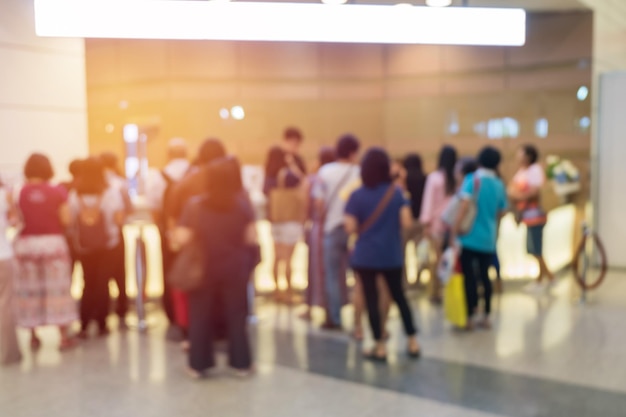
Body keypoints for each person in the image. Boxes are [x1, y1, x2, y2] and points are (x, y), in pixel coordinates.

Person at [174, 156, 258, 378]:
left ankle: (198, 365)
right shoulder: (242, 205)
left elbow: (182, 237)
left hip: (204, 269)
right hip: (235, 268)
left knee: (200, 315)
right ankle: (242, 364)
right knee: (237, 315)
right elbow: (251, 237)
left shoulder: (195, 205)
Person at [344, 147, 421, 361]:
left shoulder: (356, 195)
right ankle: (412, 340)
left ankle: (379, 346)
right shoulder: (395, 193)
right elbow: (406, 222)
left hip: (366, 255)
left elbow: (349, 227)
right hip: (391, 254)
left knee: (371, 298)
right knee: (399, 296)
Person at [13, 153, 77, 350]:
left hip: (27, 244)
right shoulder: (57, 192)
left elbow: (16, 219)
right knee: (57, 290)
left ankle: (33, 335)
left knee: (30, 290)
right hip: (53, 243)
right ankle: (63, 336)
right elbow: (66, 219)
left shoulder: (18, 192)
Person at [168, 138, 227, 346]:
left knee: (197, 296)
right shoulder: (229, 182)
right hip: (224, 250)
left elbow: (173, 217)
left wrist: (177, 241)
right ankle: (220, 332)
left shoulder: (187, 182)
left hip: (195, 249)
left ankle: (194, 336)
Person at [450, 147, 508, 330]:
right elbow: (502, 210)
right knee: (485, 276)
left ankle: (469, 317)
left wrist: (454, 230)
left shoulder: (473, 180)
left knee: (469, 278)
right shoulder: (499, 184)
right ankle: (487, 315)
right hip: (488, 238)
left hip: (469, 237)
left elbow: (464, 206)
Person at [69, 157, 125, 337]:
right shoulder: (111, 193)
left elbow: (70, 221)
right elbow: (118, 219)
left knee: (87, 282)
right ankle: (102, 323)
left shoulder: (75, 194)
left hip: (84, 246)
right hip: (109, 245)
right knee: (104, 283)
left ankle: (84, 322)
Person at [312, 134, 361, 329]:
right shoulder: (359, 172)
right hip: (354, 231)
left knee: (331, 275)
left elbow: (318, 203)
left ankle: (335, 318)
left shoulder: (325, 172)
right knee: (357, 277)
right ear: (351, 152)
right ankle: (358, 320)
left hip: (331, 229)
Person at [145, 138, 191, 337]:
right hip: (193, 234)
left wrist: (164, 229)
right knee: (194, 271)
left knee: (170, 272)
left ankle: (173, 315)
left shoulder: (158, 177)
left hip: (168, 234)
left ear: (168, 154)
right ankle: (193, 314)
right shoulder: (195, 174)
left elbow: (153, 207)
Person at [263, 128, 307, 304]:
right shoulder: (289, 162)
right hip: (290, 216)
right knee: (287, 257)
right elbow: (305, 182)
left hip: (275, 215)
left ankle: (277, 292)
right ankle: (286, 292)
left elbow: (266, 188)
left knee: (277, 256)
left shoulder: (274, 159)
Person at [508, 145, 553, 293]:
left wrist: (518, 196)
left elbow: (533, 192)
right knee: (532, 248)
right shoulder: (522, 171)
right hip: (527, 216)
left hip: (536, 216)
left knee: (536, 248)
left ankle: (544, 279)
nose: (517, 156)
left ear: (527, 156)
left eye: (520, 153)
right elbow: (511, 190)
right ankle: (548, 277)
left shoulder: (534, 171)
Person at [301, 146, 337, 321]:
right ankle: (331, 309)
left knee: (314, 269)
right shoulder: (338, 176)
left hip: (318, 227)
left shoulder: (317, 178)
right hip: (336, 227)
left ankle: (311, 307)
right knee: (333, 270)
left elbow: (310, 203)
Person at [420, 145, 457, 303]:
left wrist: (426, 223)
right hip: (454, 224)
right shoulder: (457, 178)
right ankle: (449, 291)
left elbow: (428, 202)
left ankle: (436, 291)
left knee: (437, 259)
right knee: (451, 260)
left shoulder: (434, 178)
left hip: (437, 224)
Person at [100, 152, 132, 327]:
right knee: (120, 273)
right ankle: (122, 309)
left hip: (94, 238)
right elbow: (129, 208)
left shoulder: (95, 183)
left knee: (100, 277)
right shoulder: (119, 183)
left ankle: (102, 312)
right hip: (116, 234)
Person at [0, 180, 21, 364]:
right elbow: (15, 222)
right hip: (2, 255)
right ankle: (7, 353)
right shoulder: (3, 196)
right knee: (5, 305)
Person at [402, 153, 427, 286]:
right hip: (421, 221)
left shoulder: (404, 179)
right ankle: (418, 279)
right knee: (421, 253)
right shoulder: (426, 178)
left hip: (406, 220)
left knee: (403, 254)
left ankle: (405, 282)